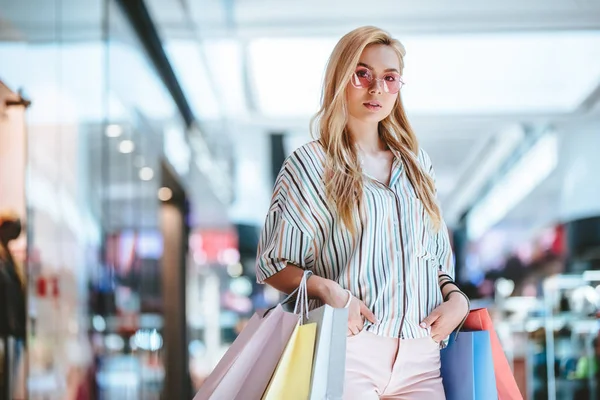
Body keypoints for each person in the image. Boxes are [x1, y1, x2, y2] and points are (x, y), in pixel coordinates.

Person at [255, 26, 470, 400]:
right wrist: (329, 290)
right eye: (362, 73)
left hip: (422, 357)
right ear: (341, 77)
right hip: (349, 348)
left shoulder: (418, 165)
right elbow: (273, 264)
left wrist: (457, 299)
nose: (376, 89)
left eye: (389, 78)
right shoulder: (311, 164)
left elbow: (436, 260)